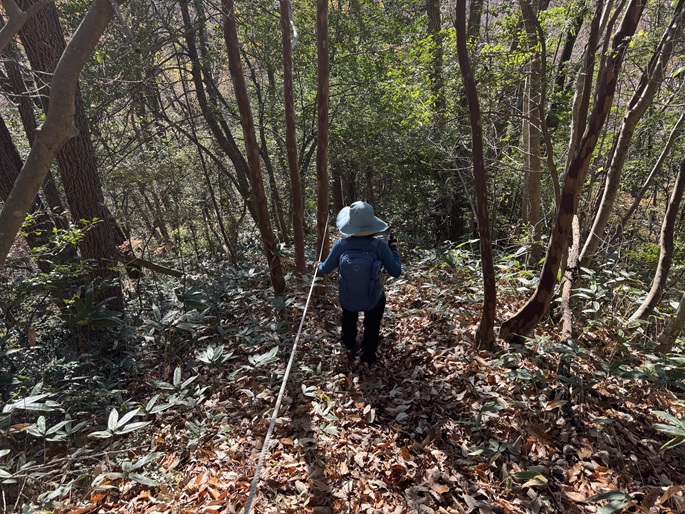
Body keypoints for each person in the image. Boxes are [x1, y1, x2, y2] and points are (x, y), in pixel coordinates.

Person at [316, 201, 401, 365]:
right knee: (372, 325)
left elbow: (326, 269)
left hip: (348, 296)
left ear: (350, 224)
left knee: (348, 320)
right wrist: (394, 250)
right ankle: (368, 356)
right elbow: (396, 272)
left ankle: (349, 346)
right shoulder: (380, 246)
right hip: (374, 297)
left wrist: (319, 265)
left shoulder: (341, 245)